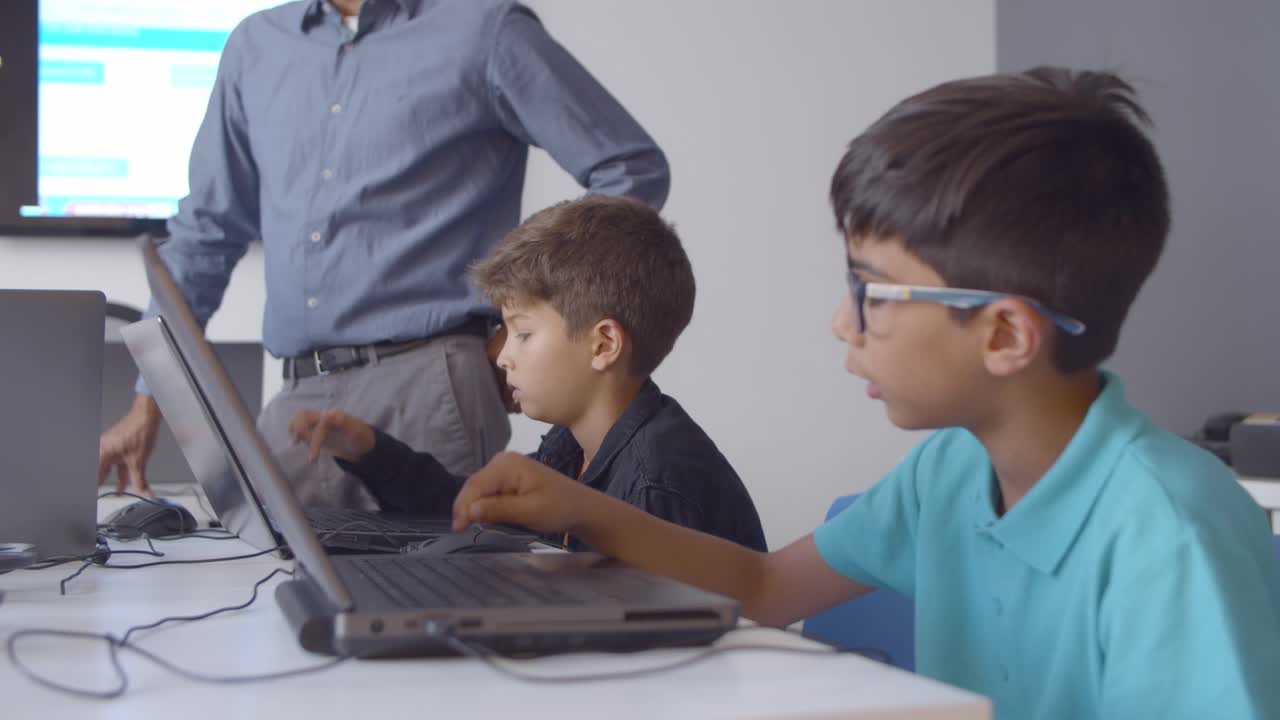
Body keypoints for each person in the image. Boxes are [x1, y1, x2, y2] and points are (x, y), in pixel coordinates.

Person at [447, 68, 1280, 718]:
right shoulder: (949, 471)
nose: (843, 322)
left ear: (1004, 335)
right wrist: (579, 507)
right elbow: (769, 587)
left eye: (873, 291)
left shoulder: (1167, 537)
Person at [96, 0, 670, 509]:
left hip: (430, 385)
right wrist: (150, 397)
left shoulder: (485, 30)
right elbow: (206, 232)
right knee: (266, 602)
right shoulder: (255, 46)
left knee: (434, 608)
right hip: (294, 398)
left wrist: (525, 317)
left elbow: (629, 169)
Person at [290, 196, 767, 551]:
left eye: (522, 333)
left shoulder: (656, 483)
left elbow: (647, 653)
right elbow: (475, 505)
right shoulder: (573, 446)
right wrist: (370, 452)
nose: (501, 357)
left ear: (603, 345)